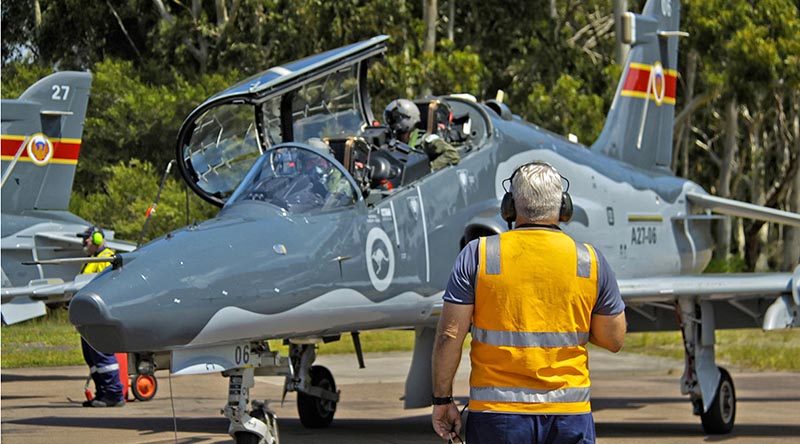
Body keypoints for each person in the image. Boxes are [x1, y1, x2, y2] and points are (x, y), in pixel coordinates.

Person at [431, 161, 626, 443]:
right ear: (563, 207)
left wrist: (442, 399)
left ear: (509, 207)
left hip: (497, 417)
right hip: (569, 416)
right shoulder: (589, 261)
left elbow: (450, 335)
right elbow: (614, 339)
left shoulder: (479, 255)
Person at [77, 226, 125, 407]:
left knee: (103, 357)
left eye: (86, 239)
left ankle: (114, 394)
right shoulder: (93, 259)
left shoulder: (106, 258)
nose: (84, 243)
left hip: (99, 317)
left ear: (97, 239)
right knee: (92, 358)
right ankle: (102, 393)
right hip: (87, 317)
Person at [384, 98, 459, 171]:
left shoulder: (424, 139)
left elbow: (452, 154)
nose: (390, 123)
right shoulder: (393, 142)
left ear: (408, 118)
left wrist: (429, 168)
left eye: (394, 119)